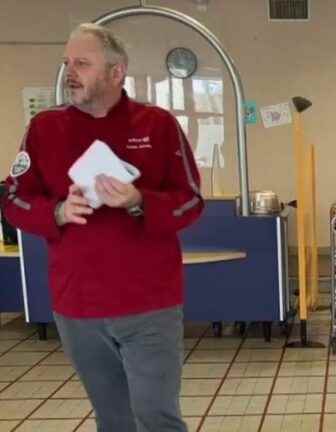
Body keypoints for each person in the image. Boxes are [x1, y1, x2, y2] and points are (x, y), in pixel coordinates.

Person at [1, 24, 202, 432]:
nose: (70, 72)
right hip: (78, 307)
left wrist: (139, 200)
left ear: (116, 71)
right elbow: (12, 200)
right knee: (113, 419)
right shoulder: (44, 129)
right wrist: (56, 212)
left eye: (82, 63)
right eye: (67, 63)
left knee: (156, 416)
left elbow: (191, 201)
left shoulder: (157, 125)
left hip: (149, 304)